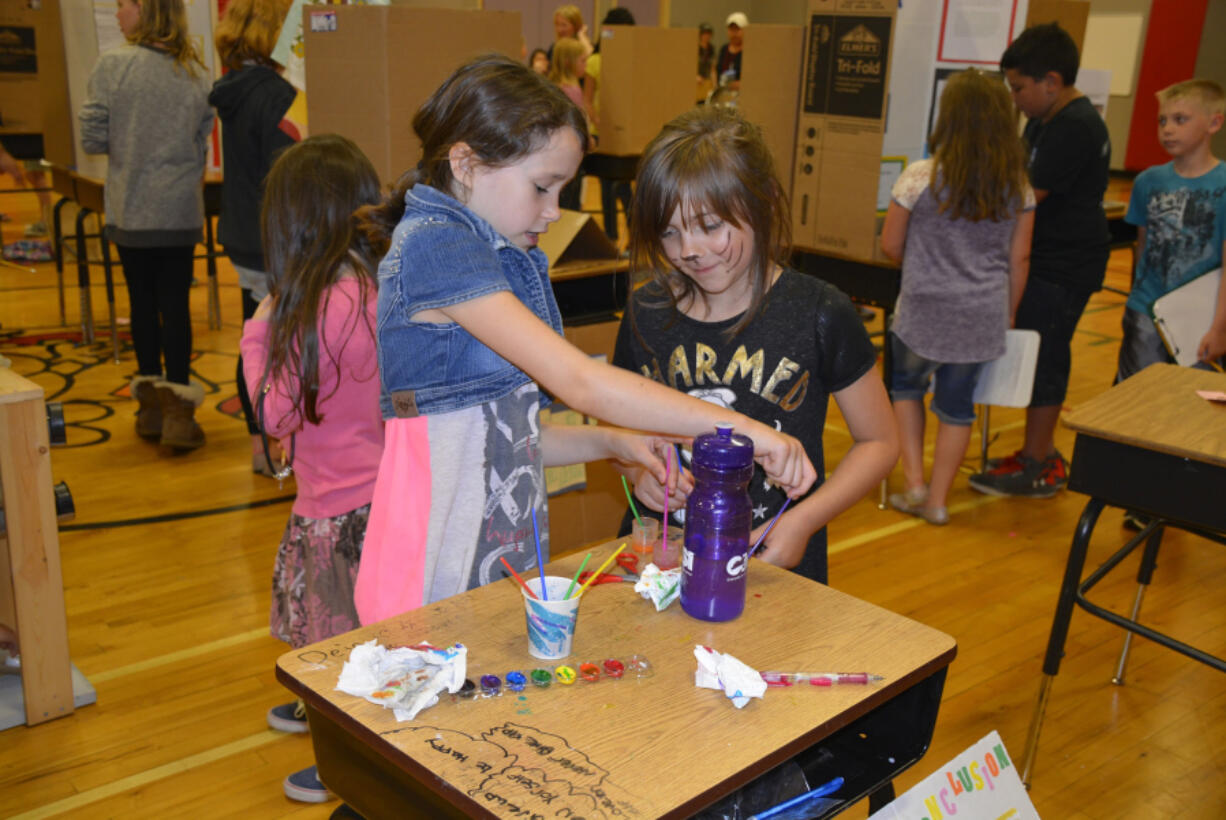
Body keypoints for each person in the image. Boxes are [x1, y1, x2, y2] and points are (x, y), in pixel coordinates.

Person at [352, 55, 816, 625]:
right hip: (433, 561)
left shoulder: (490, 254)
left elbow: (506, 441)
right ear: (467, 163)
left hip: (491, 557)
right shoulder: (436, 247)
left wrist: (611, 443)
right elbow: (580, 380)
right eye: (543, 187)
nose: (553, 212)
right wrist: (743, 428)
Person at [613, 105, 898, 584]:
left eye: (709, 225)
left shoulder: (819, 311)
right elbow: (619, 437)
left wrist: (804, 519)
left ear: (761, 203)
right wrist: (636, 473)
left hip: (775, 565)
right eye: (669, 231)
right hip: (657, 565)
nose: (689, 249)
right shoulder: (646, 311)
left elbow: (881, 442)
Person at [240, 135, 385, 804]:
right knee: (369, 636)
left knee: (339, 645)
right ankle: (338, 726)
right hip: (383, 502)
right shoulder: (372, 289)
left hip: (332, 512)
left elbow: (274, 418)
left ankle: (344, 762)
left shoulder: (303, 310)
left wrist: (256, 329)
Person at [880, 70, 1035, 525]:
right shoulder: (1017, 186)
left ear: (947, 117)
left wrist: (924, 263)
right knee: (957, 408)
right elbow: (1019, 260)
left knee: (906, 390)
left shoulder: (918, 178)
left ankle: (914, 484)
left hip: (922, 308)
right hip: (980, 312)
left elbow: (891, 244)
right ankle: (939, 501)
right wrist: (1007, 312)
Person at [969, 22, 1110, 498]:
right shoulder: (1044, 121)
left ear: (1052, 81)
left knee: (1047, 358)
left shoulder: (1076, 126)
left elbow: (1025, 195)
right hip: (1047, 259)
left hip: (1063, 265)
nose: (1015, 99)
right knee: (1038, 355)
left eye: (1019, 88)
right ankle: (1037, 452)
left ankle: (1040, 461)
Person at [79, 0, 214, 451]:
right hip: (178, 211)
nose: (118, 14)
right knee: (175, 305)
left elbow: (93, 136)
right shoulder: (195, 72)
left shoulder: (114, 65)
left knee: (140, 303)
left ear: (147, 10)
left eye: (124, 5)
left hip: (132, 208)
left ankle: (151, 409)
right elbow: (201, 145)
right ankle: (179, 412)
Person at [210, 0, 301, 476]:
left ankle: (258, 445)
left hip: (243, 234)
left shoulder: (233, 90)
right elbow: (287, 179)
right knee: (279, 344)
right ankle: (275, 444)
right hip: (272, 240)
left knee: (255, 335)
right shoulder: (278, 95)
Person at [1118, 78, 1226, 380]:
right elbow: (1142, 248)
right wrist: (1134, 307)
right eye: (1162, 120)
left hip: (1201, 317)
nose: (1167, 129)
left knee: (1191, 401)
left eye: (1180, 120)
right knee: (1138, 395)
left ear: (1214, 123)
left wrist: (1219, 328)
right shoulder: (1148, 182)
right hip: (1146, 310)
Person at [583, 7, 635, 244]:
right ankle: (611, 235)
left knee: (625, 185)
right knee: (605, 187)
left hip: (625, 132)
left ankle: (635, 233)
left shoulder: (632, 60)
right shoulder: (595, 61)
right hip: (601, 132)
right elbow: (587, 99)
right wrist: (596, 122)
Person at [549, 36, 590, 211]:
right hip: (570, 153)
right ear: (568, 62)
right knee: (571, 202)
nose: (585, 65)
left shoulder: (557, 85)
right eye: (582, 61)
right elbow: (575, 123)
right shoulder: (569, 89)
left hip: (560, 153)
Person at [717, 12, 747, 91]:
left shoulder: (749, 53)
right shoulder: (724, 50)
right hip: (723, 95)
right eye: (731, 29)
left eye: (737, 29)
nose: (734, 33)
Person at [697, 22, 716, 92]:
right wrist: (696, 76)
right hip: (696, 82)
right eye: (704, 33)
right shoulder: (695, 48)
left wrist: (714, 85)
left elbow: (713, 69)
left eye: (708, 34)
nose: (707, 36)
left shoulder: (711, 49)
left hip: (707, 82)